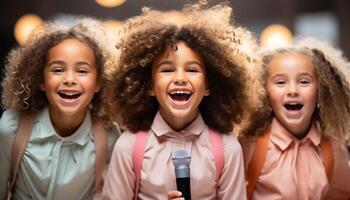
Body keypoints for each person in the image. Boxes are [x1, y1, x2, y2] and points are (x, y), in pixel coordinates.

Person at [101, 2, 259, 200]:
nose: (180, 78)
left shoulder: (227, 148)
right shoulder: (129, 147)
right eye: (167, 70)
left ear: (209, 86)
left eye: (192, 70)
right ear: (149, 86)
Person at [0, 18, 119, 199]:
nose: (69, 79)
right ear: (40, 80)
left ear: (99, 82)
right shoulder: (11, 128)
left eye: (82, 71)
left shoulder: (109, 137)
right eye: (57, 70)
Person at [240, 38, 350, 200]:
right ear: (265, 95)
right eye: (281, 82)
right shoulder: (249, 146)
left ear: (321, 93)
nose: (292, 90)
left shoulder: (333, 149)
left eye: (304, 82)